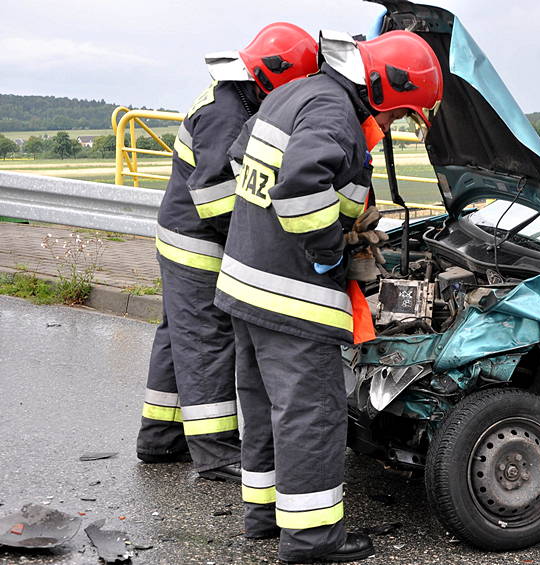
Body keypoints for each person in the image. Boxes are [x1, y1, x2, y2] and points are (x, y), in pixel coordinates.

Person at [214, 29, 442, 562]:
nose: (391, 127)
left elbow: (237, 157)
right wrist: (331, 249)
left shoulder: (299, 91)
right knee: (311, 415)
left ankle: (266, 517)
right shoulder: (334, 112)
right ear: (385, 88)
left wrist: (321, 224)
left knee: (270, 409)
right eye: (399, 114)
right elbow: (299, 187)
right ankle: (312, 539)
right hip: (291, 297)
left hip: (246, 285)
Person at [136, 23, 319, 483]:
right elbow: (217, 199)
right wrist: (260, 239)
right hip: (197, 244)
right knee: (206, 341)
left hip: (181, 236)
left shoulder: (230, 97)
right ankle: (217, 453)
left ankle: (159, 436)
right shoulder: (224, 113)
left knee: (178, 334)